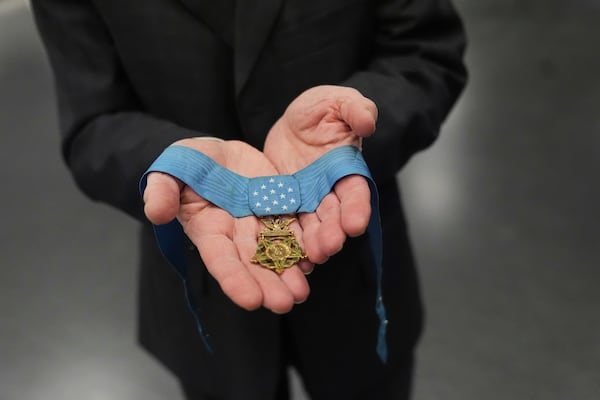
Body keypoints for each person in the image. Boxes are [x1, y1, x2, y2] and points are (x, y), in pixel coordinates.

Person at [31, 1, 467, 399]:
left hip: (355, 271)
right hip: (205, 285)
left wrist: (349, 136)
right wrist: (177, 165)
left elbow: (425, 51)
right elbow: (91, 127)